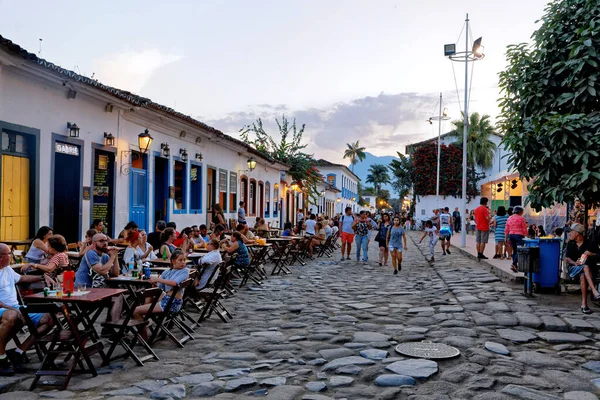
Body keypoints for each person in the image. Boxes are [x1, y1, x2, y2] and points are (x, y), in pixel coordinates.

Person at [0, 243, 55, 375]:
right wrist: (13, 309)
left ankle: (18, 352)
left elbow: (22, 278)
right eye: (9, 254)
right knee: (12, 316)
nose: (11, 256)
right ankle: (1, 358)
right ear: (1, 257)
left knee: (49, 318)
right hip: (4, 309)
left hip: (15, 307)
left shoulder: (7, 269)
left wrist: (42, 276)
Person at [133, 249, 190, 339]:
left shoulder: (185, 271)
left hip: (173, 303)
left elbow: (175, 283)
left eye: (184, 260)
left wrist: (158, 279)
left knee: (136, 311)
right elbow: (160, 287)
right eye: (180, 260)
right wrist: (155, 283)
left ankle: (143, 338)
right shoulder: (166, 272)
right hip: (167, 298)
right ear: (173, 261)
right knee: (150, 293)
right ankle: (145, 318)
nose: (183, 262)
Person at [565, 223, 600, 314]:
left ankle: (584, 305)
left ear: (577, 233)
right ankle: (594, 290)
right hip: (574, 269)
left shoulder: (590, 243)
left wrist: (591, 254)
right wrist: (575, 263)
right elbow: (567, 259)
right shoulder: (570, 243)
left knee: (583, 274)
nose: (570, 234)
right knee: (584, 267)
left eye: (571, 232)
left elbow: (599, 255)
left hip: (590, 271)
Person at [505, 205, 528, 272]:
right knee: (520, 250)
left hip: (511, 235)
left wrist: (505, 238)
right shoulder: (521, 218)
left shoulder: (509, 218)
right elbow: (524, 228)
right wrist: (526, 234)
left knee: (515, 250)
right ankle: (514, 264)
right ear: (520, 212)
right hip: (519, 235)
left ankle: (515, 265)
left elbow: (506, 229)